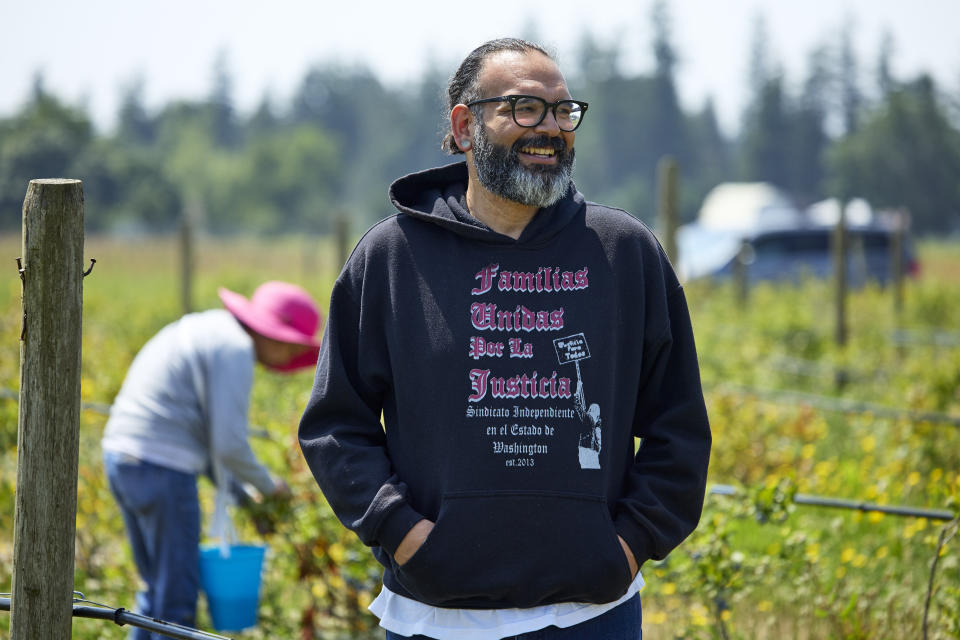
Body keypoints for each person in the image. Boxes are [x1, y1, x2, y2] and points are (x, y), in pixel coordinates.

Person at [298, 38, 711, 640]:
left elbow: (679, 427)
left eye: (563, 112)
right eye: (524, 108)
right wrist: (405, 536)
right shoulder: (392, 258)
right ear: (465, 126)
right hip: (435, 619)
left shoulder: (623, 253)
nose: (550, 128)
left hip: (591, 615)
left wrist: (626, 545)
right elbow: (337, 426)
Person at [102, 280, 323, 638]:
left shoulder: (209, 328)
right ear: (277, 337)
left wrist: (241, 497)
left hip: (123, 458)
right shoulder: (234, 348)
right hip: (161, 471)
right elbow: (228, 445)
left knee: (154, 597)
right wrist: (271, 487)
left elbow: (205, 442)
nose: (288, 358)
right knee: (175, 606)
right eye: (293, 348)